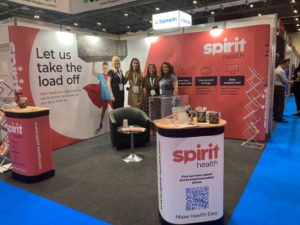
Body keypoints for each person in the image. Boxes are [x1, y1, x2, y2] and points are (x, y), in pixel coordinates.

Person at [92, 61, 111, 132]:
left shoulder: (110, 75)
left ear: (108, 67)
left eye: (106, 68)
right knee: (103, 111)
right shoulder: (101, 75)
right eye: (103, 68)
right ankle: (101, 124)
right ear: (102, 68)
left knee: (112, 110)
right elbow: (93, 72)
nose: (105, 69)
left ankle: (114, 123)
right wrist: (93, 63)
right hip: (104, 96)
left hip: (110, 95)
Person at [273, 58, 293, 123]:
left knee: (276, 103)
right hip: (279, 88)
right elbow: (284, 81)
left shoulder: (276, 69)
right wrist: (290, 82)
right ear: (284, 63)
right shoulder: (281, 70)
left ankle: (276, 116)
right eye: (287, 64)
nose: (288, 65)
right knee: (280, 104)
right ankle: (279, 118)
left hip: (275, 88)